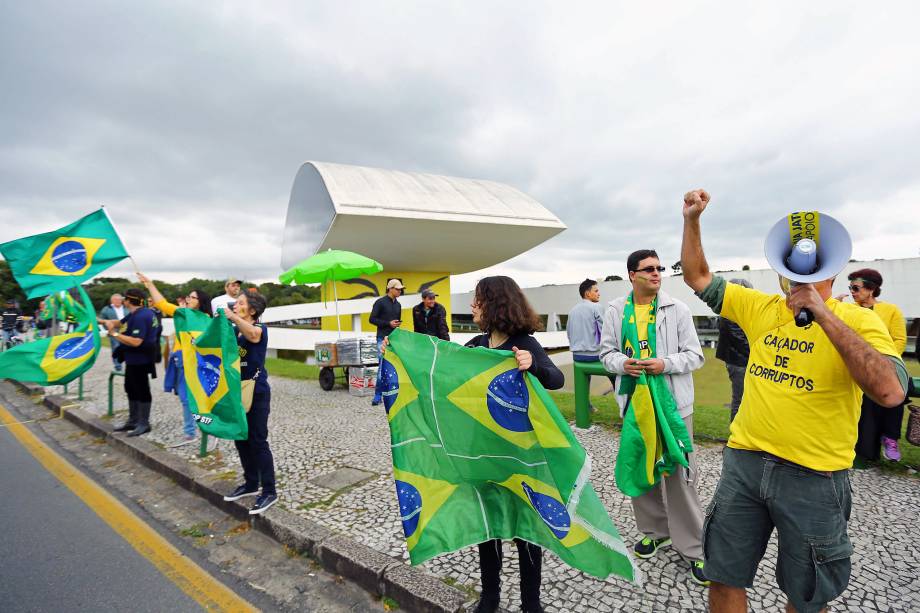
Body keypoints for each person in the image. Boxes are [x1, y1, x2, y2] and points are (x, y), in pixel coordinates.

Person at [680, 188, 907, 613]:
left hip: (816, 476)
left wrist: (823, 314)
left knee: (807, 594)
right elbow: (698, 277)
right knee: (723, 574)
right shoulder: (760, 306)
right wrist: (692, 220)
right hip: (744, 464)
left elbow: (891, 390)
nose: (800, 280)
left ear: (833, 272)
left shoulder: (859, 319)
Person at [599, 249, 708, 585]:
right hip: (636, 403)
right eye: (648, 269)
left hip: (674, 406)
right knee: (641, 467)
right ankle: (654, 530)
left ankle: (695, 547)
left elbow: (695, 355)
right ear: (632, 274)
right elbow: (606, 354)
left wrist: (664, 364)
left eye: (659, 268)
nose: (656, 273)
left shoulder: (678, 309)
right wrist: (622, 365)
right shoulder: (616, 310)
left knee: (679, 474)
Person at [464, 275, 564, 613]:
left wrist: (531, 365)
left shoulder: (524, 342)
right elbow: (438, 369)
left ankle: (530, 603)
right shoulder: (476, 345)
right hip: (482, 451)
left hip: (520, 454)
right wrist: (397, 351)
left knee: (525, 529)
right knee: (488, 525)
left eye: (477, 300)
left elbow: (556, 379)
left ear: (494, 303)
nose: (472, 306)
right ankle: (489, 596)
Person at [137, 273, 213, 447]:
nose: (188, 299)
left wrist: (149, 284)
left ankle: (198, 432)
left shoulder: (198, 317)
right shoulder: (193, 316)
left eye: (192, 297)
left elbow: (161, 303)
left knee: (195, 398)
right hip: (187, 361)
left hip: (195, 362)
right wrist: (149, 284)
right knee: (191, 398)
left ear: (200, 301)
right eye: (188, 296)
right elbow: (161, 304)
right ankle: (197, 431)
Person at [221, 291, 278, 515]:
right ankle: (251, 483)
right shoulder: (235, 331)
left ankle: (269, 491)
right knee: (240, 438)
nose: (235, 305)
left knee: (257, 440)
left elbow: (253, 335)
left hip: (257, 392)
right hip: (237, 391)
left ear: (252, 310)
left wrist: (233, 317)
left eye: (241, 303)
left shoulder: (260, 330)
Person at [847, 268, 908, 462]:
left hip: (882, 367)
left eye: (856, 287)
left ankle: (890, 439)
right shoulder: (849, 309)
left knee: (892, 394)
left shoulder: (891, 310)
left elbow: (899, 339)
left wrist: (882, 365)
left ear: (871, 289)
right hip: (854, 368)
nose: (852, 292)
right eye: (851, 288)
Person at [101, 288, 160, 437]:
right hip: (133, 359)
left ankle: (144, 423)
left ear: (129, 300)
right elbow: (119, 323)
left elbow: (136, 341)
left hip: (141, 359)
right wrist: (100, 320)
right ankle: (133, 420)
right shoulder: (137, 313)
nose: (122, 301)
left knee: (142, 390)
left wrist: (114, 334)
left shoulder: (141, 316)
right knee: (131, 388)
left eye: (124, 299)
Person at [715, 279, 752, 423]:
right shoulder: (730, 311)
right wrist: (757, 353)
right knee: (739, 399)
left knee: (742, 399)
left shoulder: (732, 309)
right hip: (739, 362)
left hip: (738, 360)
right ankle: (735, 435)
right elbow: (740, 340)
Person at [369, 279, 404, 406]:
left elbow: (396, 322)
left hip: (394, 339)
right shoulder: (380, 302)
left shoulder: (398, 305)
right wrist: (388, 323)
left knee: (394, 367)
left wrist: (397, 325)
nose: (400, 291)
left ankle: (391, 392)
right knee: (382, 366)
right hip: (381, 338)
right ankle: (378, 395)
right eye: (398, 289)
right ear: (390, 289)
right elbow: (371, 319)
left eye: (400, 289)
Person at [100, 293, 127, 371]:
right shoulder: (106, 309)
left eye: (119, 300)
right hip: (114, 331)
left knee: (128, 346)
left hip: (126, 330)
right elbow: (102, 320)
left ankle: (128, 362)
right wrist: (108, 328)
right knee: (116, 347)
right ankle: (118, 365)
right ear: (112, 301)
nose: (118, 301)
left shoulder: (127, 308)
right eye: (116, 300)